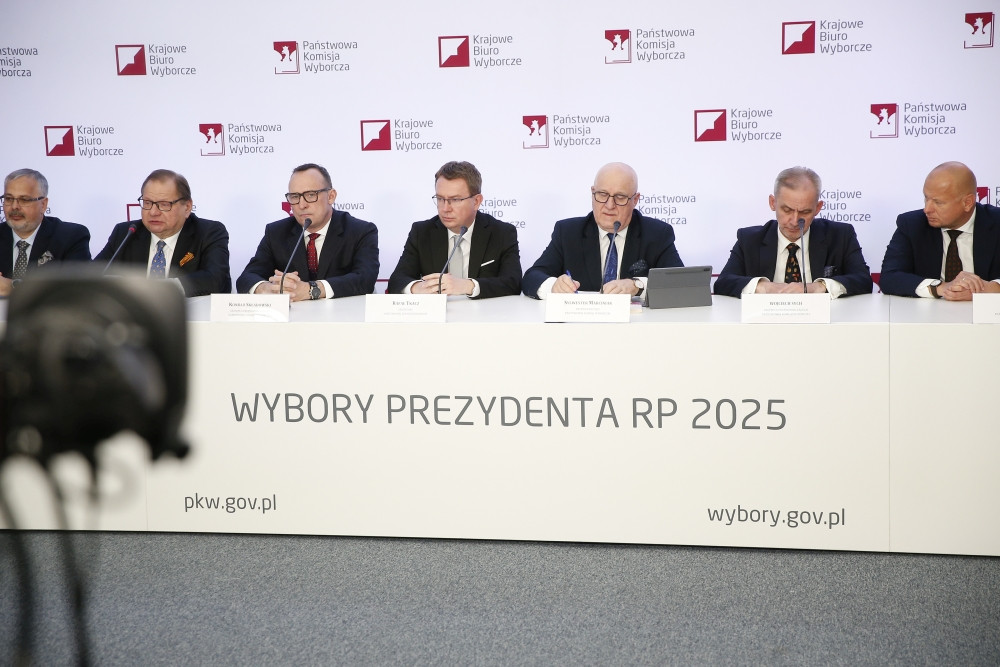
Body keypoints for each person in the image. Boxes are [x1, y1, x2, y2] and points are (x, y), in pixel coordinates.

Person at [522, 162, 682, 298]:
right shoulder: (568, 232)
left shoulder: (657, 234)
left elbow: (680, 282)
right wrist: (554, 286)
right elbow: (532, 277)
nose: (609, 205)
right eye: (602, 194)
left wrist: (638, 286)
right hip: (582, 323)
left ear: (635, 199)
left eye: (620, 197)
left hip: (636, 323)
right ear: (593, 193)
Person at [714, 166, 873, 298]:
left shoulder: (841, 235)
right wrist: (764, 287)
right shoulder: (749, 239)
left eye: (805, 212)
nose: (795, 221)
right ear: (772, 203)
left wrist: (819, 287)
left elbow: (864, 280)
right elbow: (723, 283)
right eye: (787, 210)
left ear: (817, 208)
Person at [236, 163, 378, 301]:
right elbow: (247, 277)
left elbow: (365, 279)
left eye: (310, 195)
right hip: (293, 316)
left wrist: (311, 289)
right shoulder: (276, 233)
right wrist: (267, 289)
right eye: (295, 197)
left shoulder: (360, 231)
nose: (302, 205)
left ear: (331, 196)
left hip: (343, 315)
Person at [387, 161, 521, 298]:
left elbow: (513, 283)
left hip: (484, 311)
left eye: (455, 200)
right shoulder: (422, 232)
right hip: (438, 311)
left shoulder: (502, 233)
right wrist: (417, 288)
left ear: (476, 201)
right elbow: (397, 281)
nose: (445, 208)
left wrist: (468, 286)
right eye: (440, 199)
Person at [96, 169, 231, 296]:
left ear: (187, 207)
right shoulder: (126, 233)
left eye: (164, 204)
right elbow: (93, 275)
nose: (153, 212)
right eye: (147, 203)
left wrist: (162, 288)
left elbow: (216, 280)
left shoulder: (208, 232)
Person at [880, 161, 1000, 300]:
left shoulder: (996, 222)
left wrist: (987, 289)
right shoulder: (912, 224)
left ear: (967, 202)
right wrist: (941, 287)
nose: (927, 209)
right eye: (926, 198)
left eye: (938, 202)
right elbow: (889, 277)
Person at [1, 168, 91, 296]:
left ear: (43, 204)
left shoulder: (70, 236)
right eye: (9, 199)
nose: (14, 206)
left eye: (24, 200)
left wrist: (14, 288)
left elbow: (78, 289)